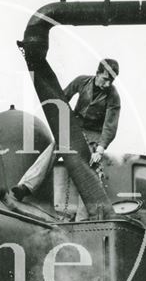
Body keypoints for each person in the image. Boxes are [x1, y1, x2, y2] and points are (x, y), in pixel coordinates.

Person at [11, 59, 121, 201]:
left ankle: (85, 217)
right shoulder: (81, 81)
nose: (107, 84)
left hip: (94, 135)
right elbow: (62, 98)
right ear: (97, 73)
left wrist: (100, 149)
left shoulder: (113, 96)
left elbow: (110, 125)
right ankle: (26, 186)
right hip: (75, 127)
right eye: (105, 79)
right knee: (53, 148)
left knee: (91, 170)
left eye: (111, 81)